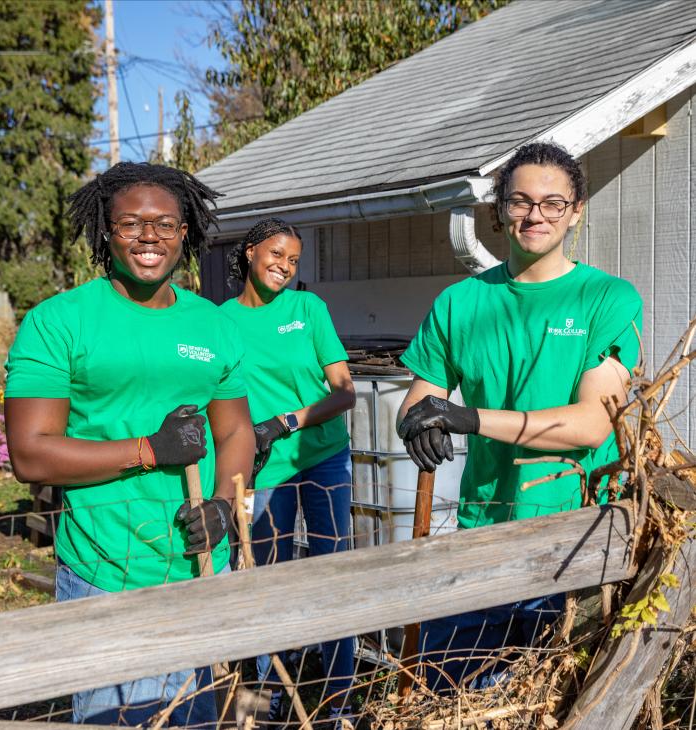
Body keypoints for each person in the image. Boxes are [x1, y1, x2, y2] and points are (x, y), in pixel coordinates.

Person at [4, 162, 255, 726]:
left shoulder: (212, 323)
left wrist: (223, 505)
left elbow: (236, 430)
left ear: (185, 231)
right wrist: (149, 450)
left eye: (165, 224)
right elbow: (30, 452)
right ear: (105, 233)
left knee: (195, 717)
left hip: (198, 569)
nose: (149, 237)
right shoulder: (59, 322)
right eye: (130, 225)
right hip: (106, 574)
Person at [396, 142, 643, 691]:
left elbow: (590, 425)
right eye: (521, 202)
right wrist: (416, 422)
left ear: (576, 211)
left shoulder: (608, 298)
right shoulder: (460, 302)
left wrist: (468, 418)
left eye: (553, 204)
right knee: (449, 703)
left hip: (576, 543)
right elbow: (420, 402)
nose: (536, 215)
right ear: (500, 209)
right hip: (482, 534)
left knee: (554, 707)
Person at [221, 218, 357, 725]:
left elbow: (344, 390)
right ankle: (266, 700)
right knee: (265, 578)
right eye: (276, 254)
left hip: (322, 458)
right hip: (261, 471)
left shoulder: (308, 309)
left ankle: (338, 700)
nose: (284, 266)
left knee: (333, 571)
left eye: (294, 260)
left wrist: (287, 421)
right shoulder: (223, 320)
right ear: (251, 252)